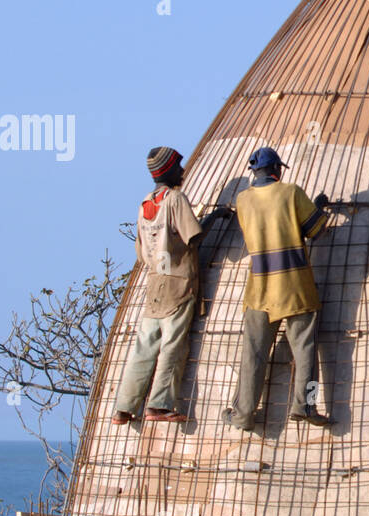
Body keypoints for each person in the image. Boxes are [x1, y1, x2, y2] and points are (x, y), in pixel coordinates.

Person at [226, 146, 333, 431]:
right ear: (276, 170)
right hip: (295, 287)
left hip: (259, 289)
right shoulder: (291, 193)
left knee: (253, 354)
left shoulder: (243, 200)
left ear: (254, 172)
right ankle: (305, 405)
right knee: (306, 352)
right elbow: (318, 230)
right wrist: (319, 207)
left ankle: (242, 414)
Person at [113, 147, 206, 425]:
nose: (183, 171)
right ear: (168, 170)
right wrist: (215, 219)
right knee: (173, 344)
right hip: (178, 282)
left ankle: (124, 407)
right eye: (179, 166)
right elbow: (194, 237)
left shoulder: (145, 204)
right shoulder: (175, 199)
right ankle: (159, 405)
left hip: (154, 282)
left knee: (143, 346)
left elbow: (141, 254)